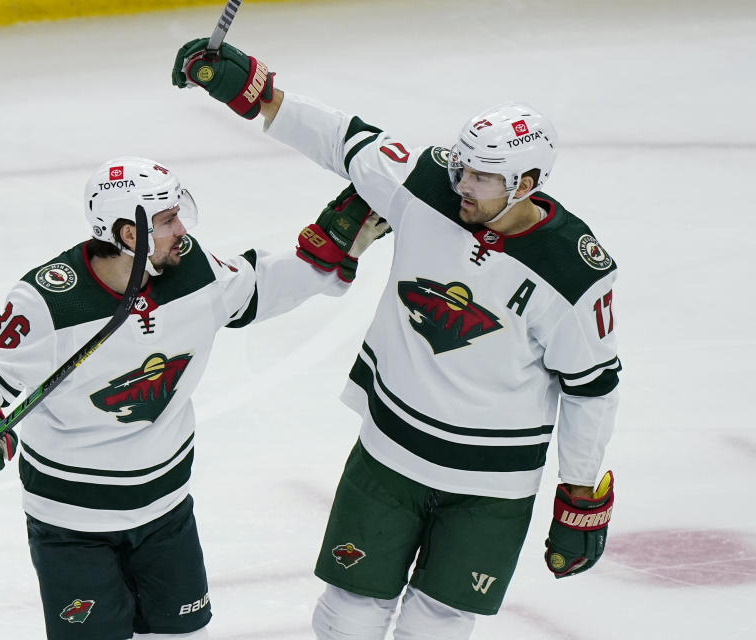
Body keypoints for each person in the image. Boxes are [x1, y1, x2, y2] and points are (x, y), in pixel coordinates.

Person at [172, 41, 620, 640]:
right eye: (463, 166)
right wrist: (256, 94)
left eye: (485, 177)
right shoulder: (429, 183)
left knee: (437, 627)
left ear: (528, 183)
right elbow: (343, 140)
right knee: (347, 614)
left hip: (492, 485)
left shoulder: (573, 273)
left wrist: (580, 491)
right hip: (390, 454)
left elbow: (591, 389)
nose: (463, 184)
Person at [0, 156, 389, 640]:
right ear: (130, 235)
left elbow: (260, 285)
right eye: (168, 219)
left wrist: (331, 247)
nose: (182, 229)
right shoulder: (51, 299)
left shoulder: (193, 269)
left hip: (165, 512)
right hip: (72, 524)